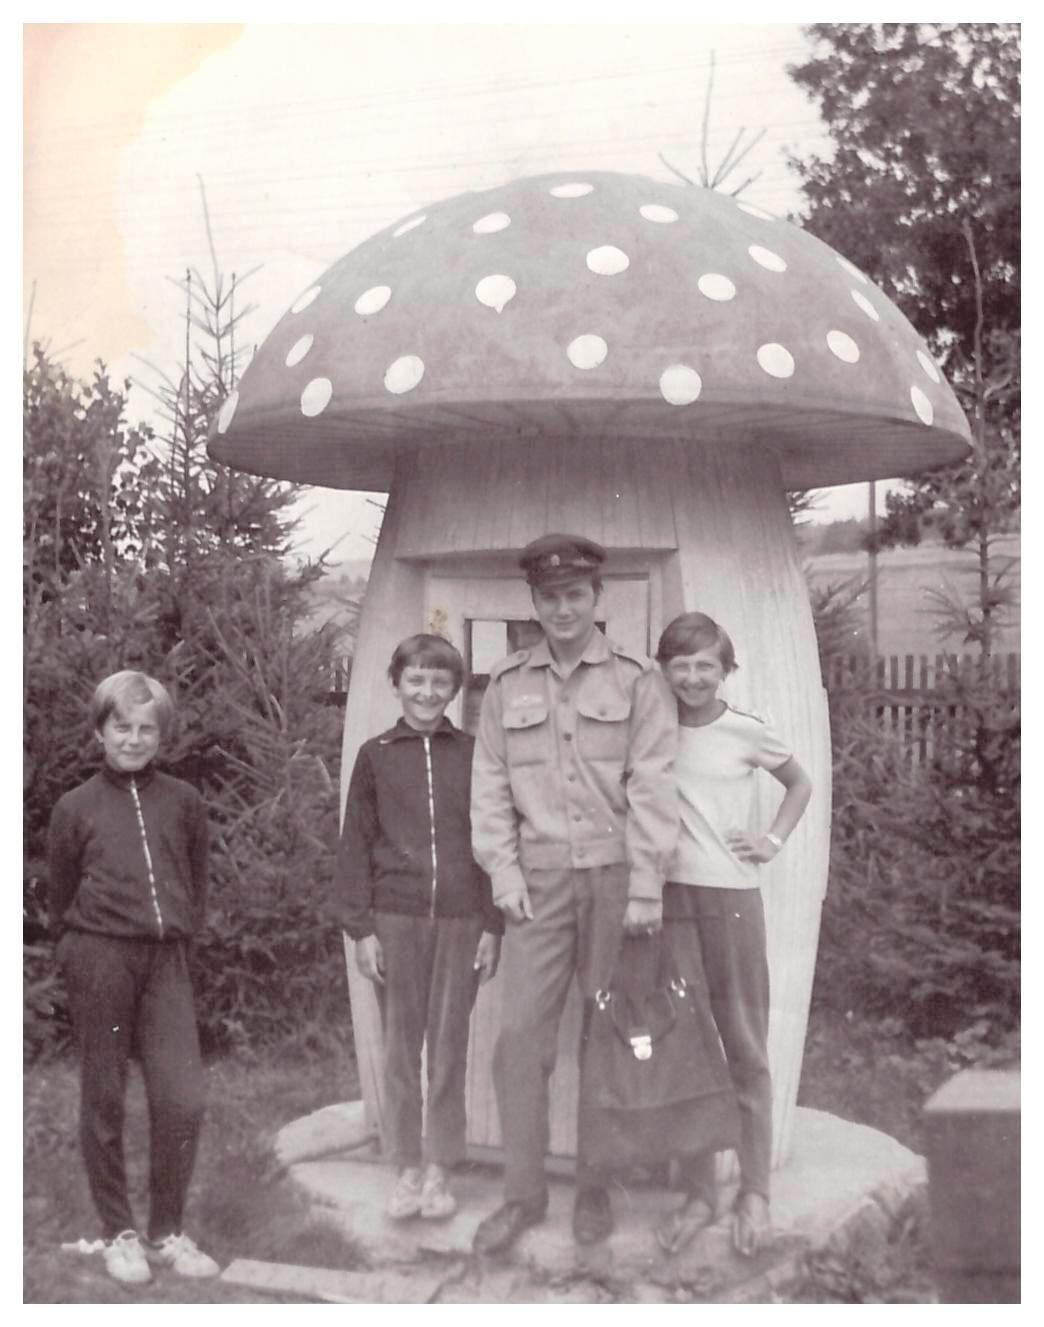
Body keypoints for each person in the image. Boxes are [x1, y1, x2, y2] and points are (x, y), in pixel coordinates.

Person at [469, 534, 679, 1255]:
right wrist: (503, 874)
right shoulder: (506, 685)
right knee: (518, 1042)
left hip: (617, 880)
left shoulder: (638, 680)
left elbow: (653, 784)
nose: (563, 609)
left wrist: (646, 884)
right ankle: (522, 1196)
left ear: (597, 598)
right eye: (550, 597)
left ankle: (595, 1188)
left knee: (606, 1036)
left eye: (575, 595)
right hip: (538, 884)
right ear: (534, 602)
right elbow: (490, 787)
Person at [46, 671, 218, 1286]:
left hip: (165, 960)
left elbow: (196, 881)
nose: (134, 739)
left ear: (161, 736)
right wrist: (80, 950)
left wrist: (180, 937)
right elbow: (59, 892)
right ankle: (119, 1232)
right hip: (100, 958)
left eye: (147, 729)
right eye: (122, 727)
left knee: (183, 1097)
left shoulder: (184, 802)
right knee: (105, 1095)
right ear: (101, 731)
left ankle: (166, 1232)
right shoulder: (75, 807)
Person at [652, 612, 813, 1258]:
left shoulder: (746, 730)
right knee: (689, 1047)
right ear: (664, 668)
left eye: (706, 666)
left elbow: (800, 783)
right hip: (671, 902)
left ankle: (754, 1191)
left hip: (733, 902)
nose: (693, 677)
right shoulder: (652, 729)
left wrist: (770, 839)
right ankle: (699, 1193)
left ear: (726, 670)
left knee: (744, 1042)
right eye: (681, 665)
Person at [333, 633, 503, 1221]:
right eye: (416, 680)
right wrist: (361, 929)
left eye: (439, 681)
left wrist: (493, 924)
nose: (427, 692)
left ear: (455, 690)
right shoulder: (376, 755)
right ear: (396, 683)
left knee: (450, 1048)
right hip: (395, 922)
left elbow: (494, 842)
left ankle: (440, 1169)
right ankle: (406, 1166)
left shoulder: (474, 754)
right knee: (401, 1050)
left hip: (462, 921)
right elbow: (354, 845)